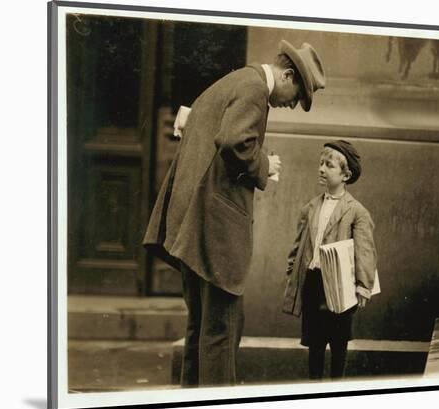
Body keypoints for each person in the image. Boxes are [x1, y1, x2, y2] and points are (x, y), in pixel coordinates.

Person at [143, 40, 326, 387]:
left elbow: (209, 130)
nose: (291, 105)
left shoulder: (237, 80)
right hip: (213, 231)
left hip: (190, 225)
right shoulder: (254, 88)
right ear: (288, 75)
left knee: (201, 328)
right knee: (222, 332)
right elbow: (233, 141)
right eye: (297, 96)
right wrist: (263, 164)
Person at [282, 140, 377, 380]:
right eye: (320, 163)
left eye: (329, 165)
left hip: (340, 285)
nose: (322, 169)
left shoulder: (356, 211)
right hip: (314, 283)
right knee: (315, 344)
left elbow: (365, 251)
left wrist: (363, 286)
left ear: (346, 175)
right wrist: (293, 271)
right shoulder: (310, 208)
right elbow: (298, 246)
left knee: (338, 343)